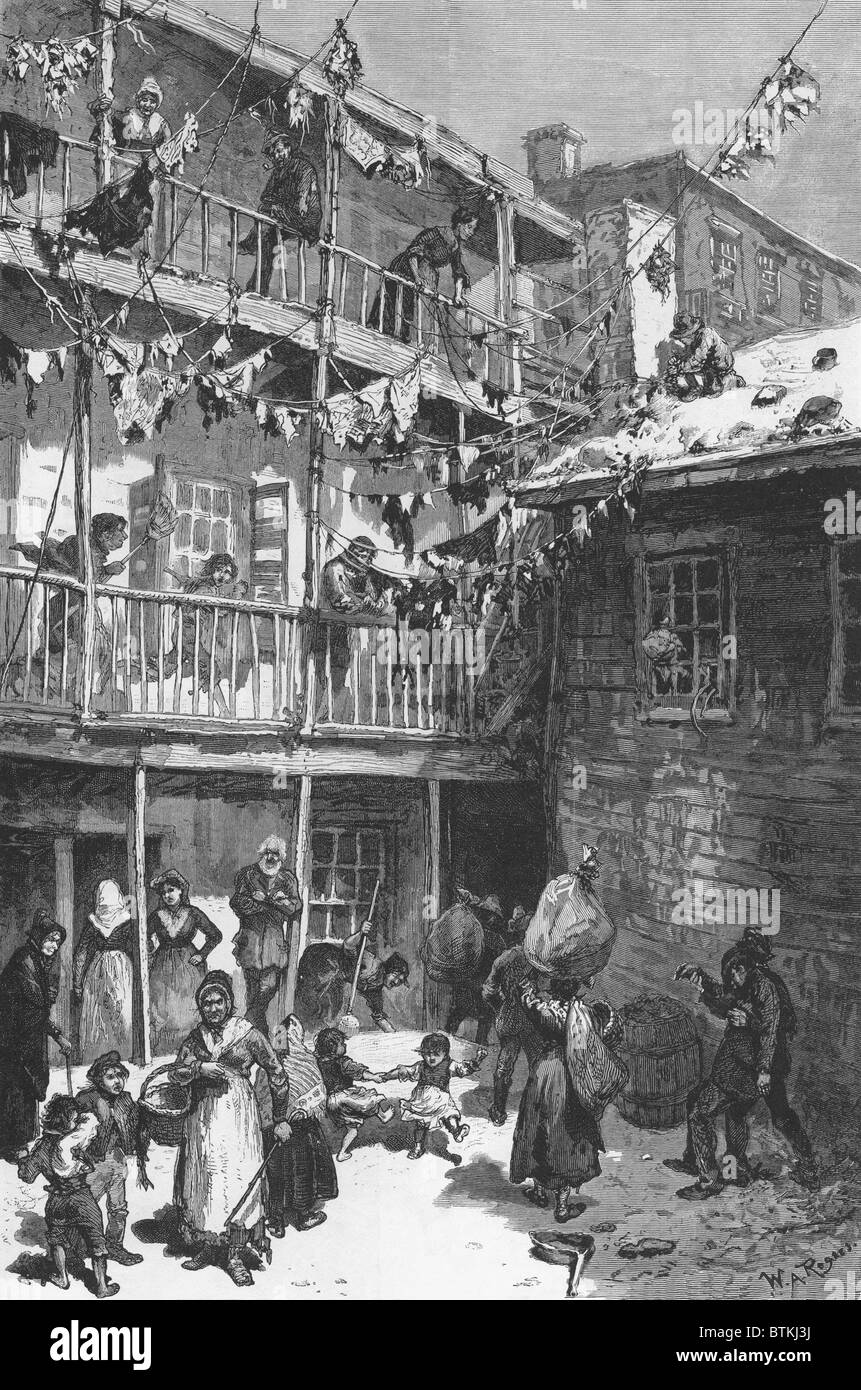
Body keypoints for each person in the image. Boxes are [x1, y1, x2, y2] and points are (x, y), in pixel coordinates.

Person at [668, 943, 818, 1199]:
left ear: (749, 966)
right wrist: (699, 978)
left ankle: (709, 1180)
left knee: (703, 1112)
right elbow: (724, 996)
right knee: (738, 1112)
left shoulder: (766, 988)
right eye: (731, 973)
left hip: (757, 1065)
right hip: (753, 1064)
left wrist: (762, 1067)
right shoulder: (745, 984)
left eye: (737, 971)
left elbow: (772, 1030)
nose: (734, 978)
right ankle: (735, 1170)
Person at [170, 970, 291, 1287]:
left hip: (238, 1114)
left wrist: (280, 1118)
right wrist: (201, 1067)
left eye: (218, 1000)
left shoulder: (247, 1033)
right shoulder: (197, 1037)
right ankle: (209, 1246)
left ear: (229, 1001)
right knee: (207, 1179)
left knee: (237, 1178)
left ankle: (235, 1254)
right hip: (204, 1117)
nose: (213, 1008)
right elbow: (177, 1072)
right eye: (206, 1002)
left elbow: (276, 1072)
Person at [510, 974, 624, 1224]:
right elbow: (605, 1033)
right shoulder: (585, 1013)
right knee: (565, 1136)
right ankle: (561, 1206)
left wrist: (526, 986)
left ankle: (539, 1191)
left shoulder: (546, 1010)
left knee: (539, 1129)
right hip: (572, 1077)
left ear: (553, 988)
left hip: (545, 1072)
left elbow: (529, 1002)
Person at [18, 1095, 119, 1299]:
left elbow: (27, 1176)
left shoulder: (41, 1147)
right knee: (96, 1240)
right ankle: (101, 1287)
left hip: (57, 1200)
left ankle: (63, 1278)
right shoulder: (76, 1140)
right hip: (82, 1198)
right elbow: (92, 1159)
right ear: (64, 1121)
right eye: (74, 1118)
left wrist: (22, 1158)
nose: (78, 1121)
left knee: (57, 1240)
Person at [0, 911, 72, 1161]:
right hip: (15, 1037)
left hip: (29, 1034)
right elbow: (35, 1006)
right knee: (18, 1087)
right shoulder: (24, 962)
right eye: (50, 939)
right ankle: (12, 1145)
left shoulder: (37, 960)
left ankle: (23, 1140)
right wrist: (58, 1036)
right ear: (39, 937)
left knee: (28, 1085)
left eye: (57, 941)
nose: (54, 945)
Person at [259, 1015, 337, 1234]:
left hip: (299, 1130)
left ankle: (293, 1217)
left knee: (298, 1173)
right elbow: (262, 1097)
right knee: (282, 1175)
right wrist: (278, 1121)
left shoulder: (304, 1060)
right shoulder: (269, 1065)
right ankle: (280, 1220)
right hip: (282, 1131)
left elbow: (318, 1092)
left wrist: (300, 1110)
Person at [75, 1051, 151, 1267]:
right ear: (99, 1080)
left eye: (120, 1075)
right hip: (93, 1163)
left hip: (117, 1160)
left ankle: (115, 1246)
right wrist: (97, 1100)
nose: (117, 1081)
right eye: (110, 1076)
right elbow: (77, 1106)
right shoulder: (88, 1097)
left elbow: (135, 1124)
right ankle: (81, 1244)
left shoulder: (125, 1099)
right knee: (87, 1205)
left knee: (118, 1208)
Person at [370, 205, 479, 342]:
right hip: (406, 269)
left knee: (407, 310)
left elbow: (458, 272)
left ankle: (399, 337)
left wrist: (457, 296)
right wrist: (417, 277)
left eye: (473, 229)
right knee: (394, 303)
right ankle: (381, 334)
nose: (471, 232)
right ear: (459, 224)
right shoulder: (436, 233)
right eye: (469, 227)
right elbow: (414, 252)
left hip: (423, 275)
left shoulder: (455, 247)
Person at [229, 836, 301, 1036]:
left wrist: (271, 901)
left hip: (274, 944)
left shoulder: (287, 879)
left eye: (275, 854)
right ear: (262, 854)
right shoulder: (248, 875)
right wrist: (270, 904)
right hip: (250, 943)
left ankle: (248, 1026)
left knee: (268, 988)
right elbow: (238, 903)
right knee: (252, 992)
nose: (271, 857)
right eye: (267, 853)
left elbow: (295, 906)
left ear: (281, 857)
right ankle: (259, 1037)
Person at [157, 554, 245, 716]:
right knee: (209, 667)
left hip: (186, 632)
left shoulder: (206, 585)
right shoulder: (205, 588)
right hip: (187, 633)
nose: (222, 575)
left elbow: (186, 581)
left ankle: (143, 671)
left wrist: (173, 573)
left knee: (169, 663)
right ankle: (224, 710)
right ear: (212, 569)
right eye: (219, 570)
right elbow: (220, 610)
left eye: (227, 573)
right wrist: (237, 595)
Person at [147, 869, 222, 1054]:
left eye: (171, 890)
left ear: (181, 891)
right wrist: (149, 949)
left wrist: (202, 954)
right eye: (164, 893)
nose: (167, 895)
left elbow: (215, 935)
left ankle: (192, 1049)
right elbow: (144, 936)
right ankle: (166, 1051)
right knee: (162, 1007)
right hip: (162, 965)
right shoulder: (156, 916)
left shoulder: (193, 913)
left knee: (189, 1007)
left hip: (189, 966)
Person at [377, 1033, 485, 1161]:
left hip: (441, 1101)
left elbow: (463, 1069)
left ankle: (457, 1131)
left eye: (436, 1054)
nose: (431, 1058)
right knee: (421, 1124)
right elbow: (406, 1071)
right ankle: (418, 1147)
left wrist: (478, 1060)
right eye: (427, 1054)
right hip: (422, 1102)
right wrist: (387, 1076)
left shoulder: (449, 1065)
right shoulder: (421, 1066)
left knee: (450, 1115)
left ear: (445, 1054)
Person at [239, 131, 322, 294]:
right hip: (288, 215)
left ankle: (249, 245)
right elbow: (266, 197)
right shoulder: (279, 171)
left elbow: (302, 204)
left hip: (304, 219)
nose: (276, 156)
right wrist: (275, 204)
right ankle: (257, 287)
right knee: (268, 234)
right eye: (273, 155)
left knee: (270, 222)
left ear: (288, 148)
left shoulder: (303, 168)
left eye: (279, 151)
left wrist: (277, 207)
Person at [73, 880, 135, 1063]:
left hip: (121, 972)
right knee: (98, 1015)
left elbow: (139, 947)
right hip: (99, 973)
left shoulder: (127, 922)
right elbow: (81, 953)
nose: (106, 908)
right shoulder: (93, 923)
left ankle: (122, 1055)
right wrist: (77, 982)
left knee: (122, 1012)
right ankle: (98, 1057)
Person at [314, 1026, 395, 1162]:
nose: (345, 1045)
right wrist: (374, 1077)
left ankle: (342, 1153)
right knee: (371, 1097)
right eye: (341, 1044)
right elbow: (358, 1072)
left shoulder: (319, 1062)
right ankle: (383, 1116)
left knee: (352, 1128)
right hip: (345, 1097)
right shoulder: (342, 1062)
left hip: (331, 1101)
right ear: (333, 1048)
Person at [481, 939, 536, 1126]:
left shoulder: (504, 959)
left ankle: (498, 1109)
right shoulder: (543, 958)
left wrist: (500, 1007)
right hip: (532, 1016)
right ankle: (538, 1111)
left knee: (505, 1065)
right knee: (538, 1062)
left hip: (511, 1016)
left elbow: (488, 991)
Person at [444, 889, 507, 1045]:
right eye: (488, 914)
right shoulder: (472, 932)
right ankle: (445, 1037)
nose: (491, 918)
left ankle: (479, 1042)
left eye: (493, 916)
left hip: (482, 981)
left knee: (484, 1013)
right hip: (470, 979)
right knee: (462, 1010)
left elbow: (501, 961)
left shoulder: (495, 938)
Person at [665, 313, 744, 398]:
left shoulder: (707, 335)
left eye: (683, 337)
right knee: (686, 365)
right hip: (707, 365)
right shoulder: (693, 340)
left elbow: (698, 360)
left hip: (720, 366)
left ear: (691, 333)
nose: (681, 341)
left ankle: (733, 379)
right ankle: (694, 388)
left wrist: (679, 367)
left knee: (712, 392)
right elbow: (688, 357)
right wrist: (676, 361)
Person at [110, 77, 172, 153]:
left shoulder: (161, 124)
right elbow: (109, 116)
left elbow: (168, 147)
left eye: (152, 102)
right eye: (144, 100)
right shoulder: (127, 117)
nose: (148, 105)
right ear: (138, 100)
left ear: (156, 105)